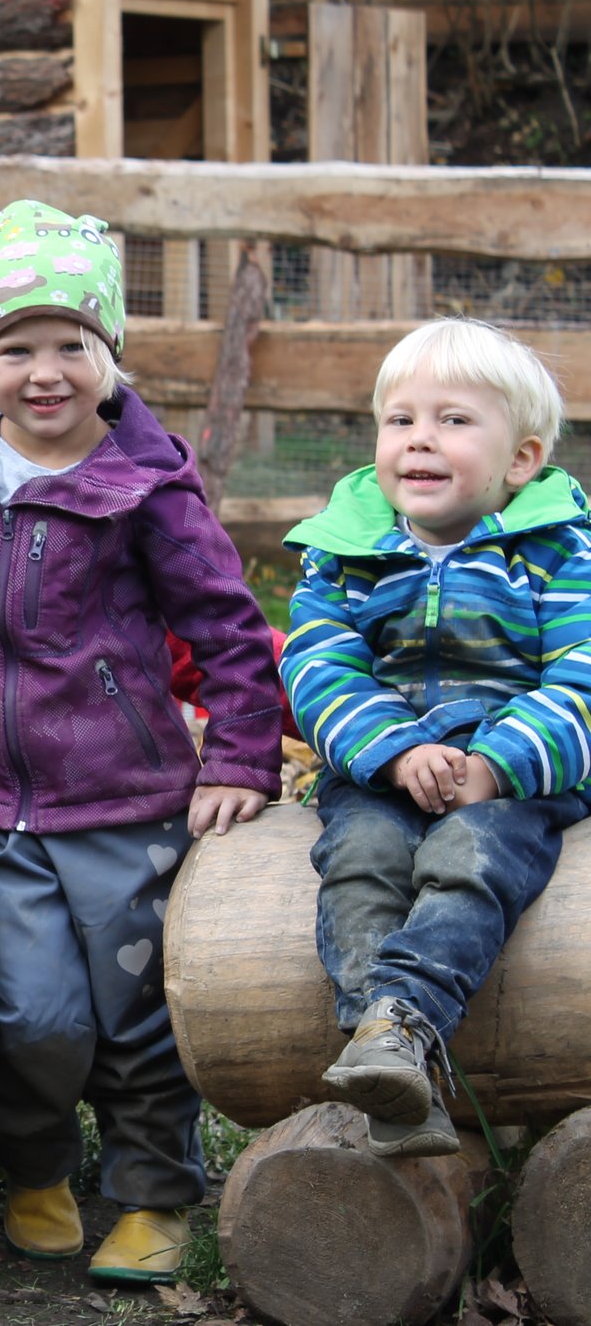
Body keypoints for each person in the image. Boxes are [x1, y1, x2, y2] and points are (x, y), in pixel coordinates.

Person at [0, 200, 283, 1282]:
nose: (44, 370)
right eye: (16, 347)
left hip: (126, 798)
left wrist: (242, 754)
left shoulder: (144, 484)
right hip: (2, 810)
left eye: (73, 344)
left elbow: (226, 628)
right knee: (32, 1013)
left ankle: (154, 1192)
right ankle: (34, 1169)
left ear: (109, 356)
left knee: (137, 1012)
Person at [280, 317, 590, 1158]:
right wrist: (391, 750)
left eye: (454, 420)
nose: (420, 440)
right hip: (384, 769)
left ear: (520, 460)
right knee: (362, 860)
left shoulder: (558, 551)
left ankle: (403, 1019)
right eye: (401, 419)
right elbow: (320, 664)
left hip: (508, 778)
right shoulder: (346, 552)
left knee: (468, 862)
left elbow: (583, 674)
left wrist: (499, 763)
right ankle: (382, 1051)